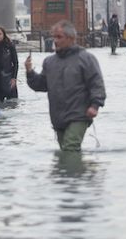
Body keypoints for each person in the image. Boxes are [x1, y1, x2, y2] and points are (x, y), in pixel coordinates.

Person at [25, 20, 106, 152]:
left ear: (71, 38)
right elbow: (42, 85)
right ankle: (78, 172)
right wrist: (30, 72)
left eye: (59, 37)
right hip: (58, 117)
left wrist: (95, 105)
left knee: (70, 148)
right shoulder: (49, 62)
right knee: (65, 150)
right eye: (54, 37)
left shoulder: (86, 59)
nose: (55, 41)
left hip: (79, 114)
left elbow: (96, 84)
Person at [0, 25, 19, 100]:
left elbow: (15, 62)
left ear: (4, 35)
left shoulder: (10, 46)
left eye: (0, 34)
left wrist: (14, 78)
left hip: (9, 77)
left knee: (13, 102)